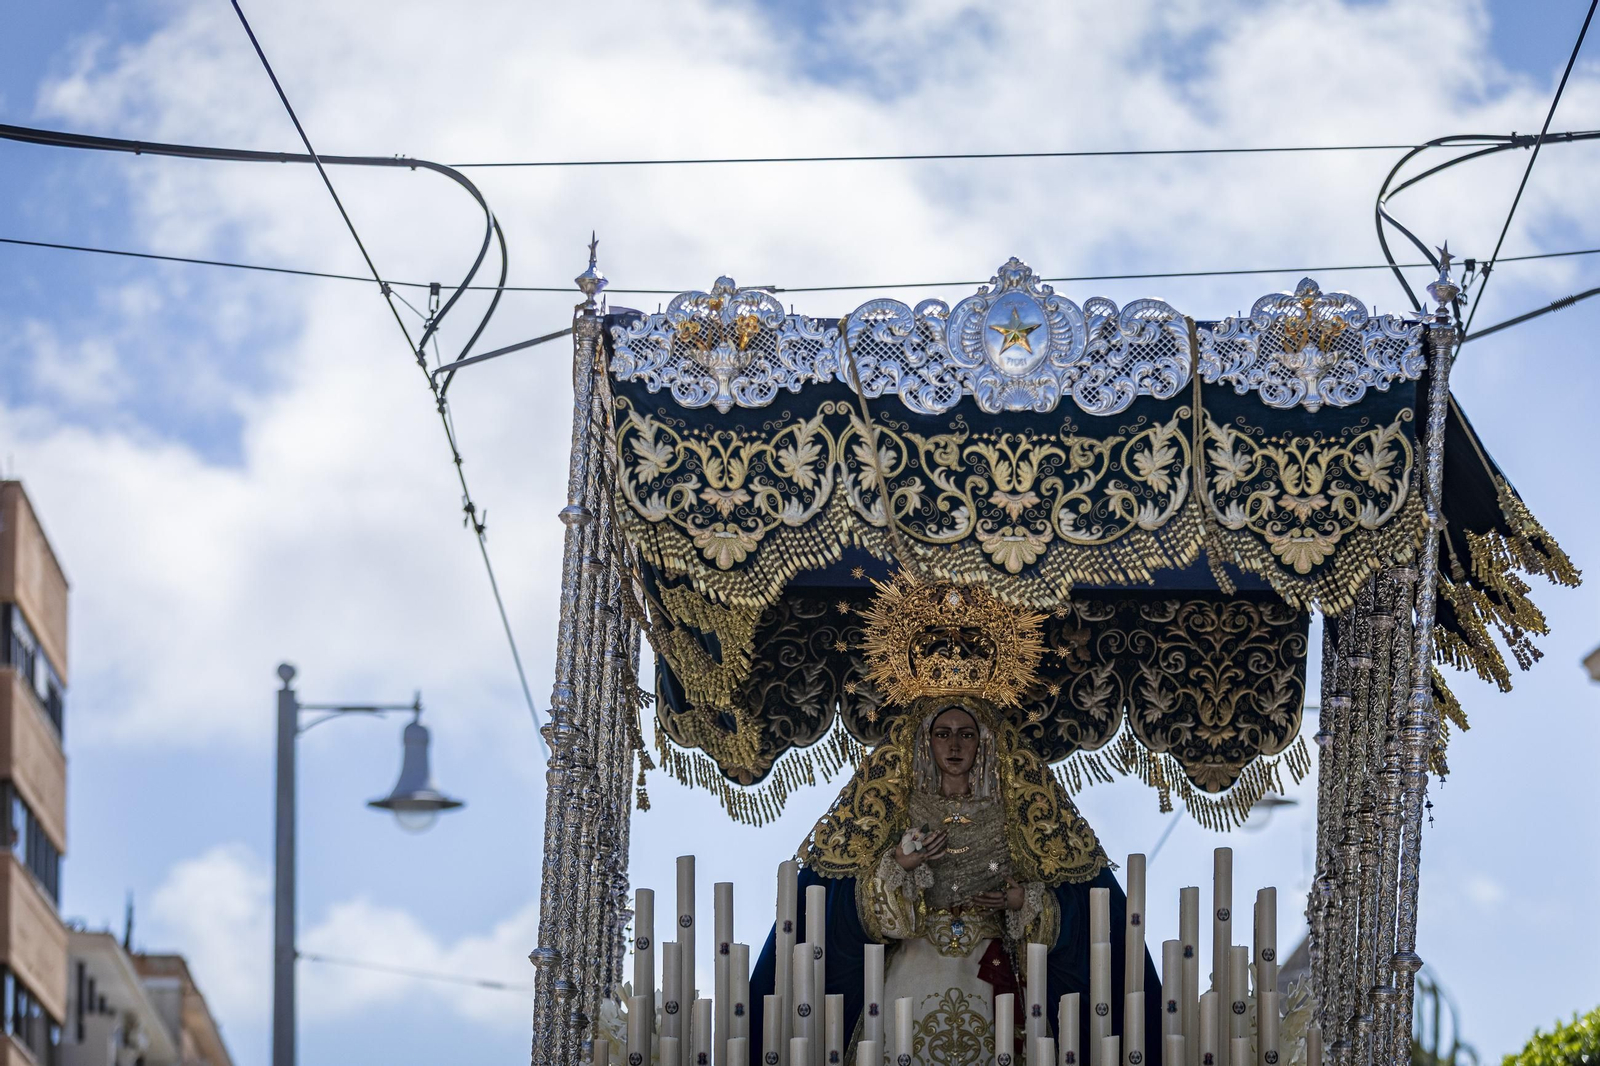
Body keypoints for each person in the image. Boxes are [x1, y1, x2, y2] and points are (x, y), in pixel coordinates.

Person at [747, 697, 1161, 1066]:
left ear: (985, 743)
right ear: (925, 742)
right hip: (911, 970)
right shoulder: (897, 809)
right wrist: (899, 868)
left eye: (966, 734)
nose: (955, 745)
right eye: (942, 734)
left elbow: (1084, 906)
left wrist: (1025, 903)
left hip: (992, 974)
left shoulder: (1015, 814)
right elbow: (838, 904)